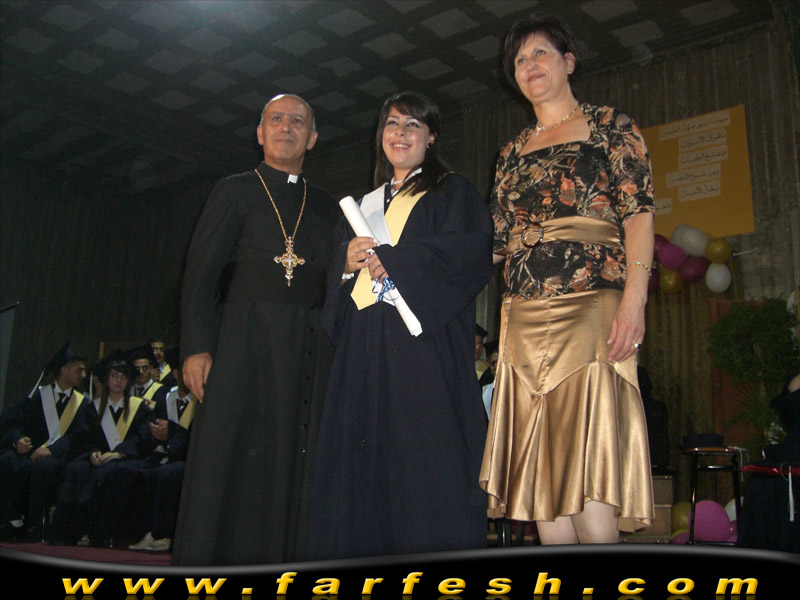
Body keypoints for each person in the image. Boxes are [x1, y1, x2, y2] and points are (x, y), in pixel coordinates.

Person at [479, 14, 655, 544]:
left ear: (569, 62)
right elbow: (492, 242)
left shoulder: (610, 126)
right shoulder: (509, 153)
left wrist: (634, 301)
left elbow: (639, 215)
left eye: (540, 53)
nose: (529, 65)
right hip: (522, 314)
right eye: (519, 59)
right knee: (541, 471)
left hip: (591, 302)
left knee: (588, 456)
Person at [307, 91, 494, 559]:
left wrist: (398, 261)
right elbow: (335, 288)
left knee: (422, 457)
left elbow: (468, 254)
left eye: (414, 125)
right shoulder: (362, 205)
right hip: (363, 349)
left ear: (431, 137)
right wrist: (345, 263)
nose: (401, 133)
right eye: (392, 124)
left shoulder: (452, 192)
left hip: (421, 349)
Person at [172, 94, 338, 565]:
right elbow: (200, 275)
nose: (286, 127)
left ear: (312, 138)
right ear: (260, 132)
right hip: (242, 343)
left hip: (306, 348)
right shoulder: (234, 190)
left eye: (298, 121)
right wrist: (196, 347)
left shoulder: (327, 205)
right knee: (228, 455)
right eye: (276, 119)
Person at [48, 352, 150, 546]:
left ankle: (98, 534)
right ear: (106, 379)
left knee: (112, 473)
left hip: (126, 460)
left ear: (129, 381)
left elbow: (143, 439)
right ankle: (65, 533)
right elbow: (81, 437)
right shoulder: (92, 408)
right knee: (75, 469)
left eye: (123, 377)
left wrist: (120, 453)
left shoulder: (140, 408)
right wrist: (91, 453)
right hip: (96, 459)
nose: (118, 381)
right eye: (114, 376)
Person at [0, 343, 87, 540]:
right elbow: (12, 423)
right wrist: (17, 439)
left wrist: (52, 450)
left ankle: (32, 526)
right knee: (6, 460)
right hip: (28, 453)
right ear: (64, 370)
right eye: (79, 370)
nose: (83, 375)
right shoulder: (37, 395)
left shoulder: (82, 404)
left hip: (58, 457)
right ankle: (10, 519)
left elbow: (80, 436)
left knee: (43, 467)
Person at [129, 346, 197, 552]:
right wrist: (156, 435)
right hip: (163, 455)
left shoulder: (202, 402)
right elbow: (148, 430)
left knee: (167, 475)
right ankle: (143, 531)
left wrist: (172, 433)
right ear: (176, 374)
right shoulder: (165, 398)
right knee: (139, 472)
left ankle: (163, 534)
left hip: (191, 460)